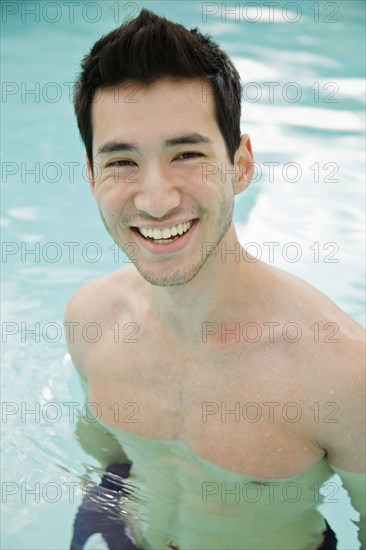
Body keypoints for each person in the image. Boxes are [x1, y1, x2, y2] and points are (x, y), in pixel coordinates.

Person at [65, 8, 365, 550]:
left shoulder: (340, 373)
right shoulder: (90, 319)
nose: (156, 201)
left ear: (241, 164)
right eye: (122, 162)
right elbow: (104, 462)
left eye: (187, 154)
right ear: (91, 176)